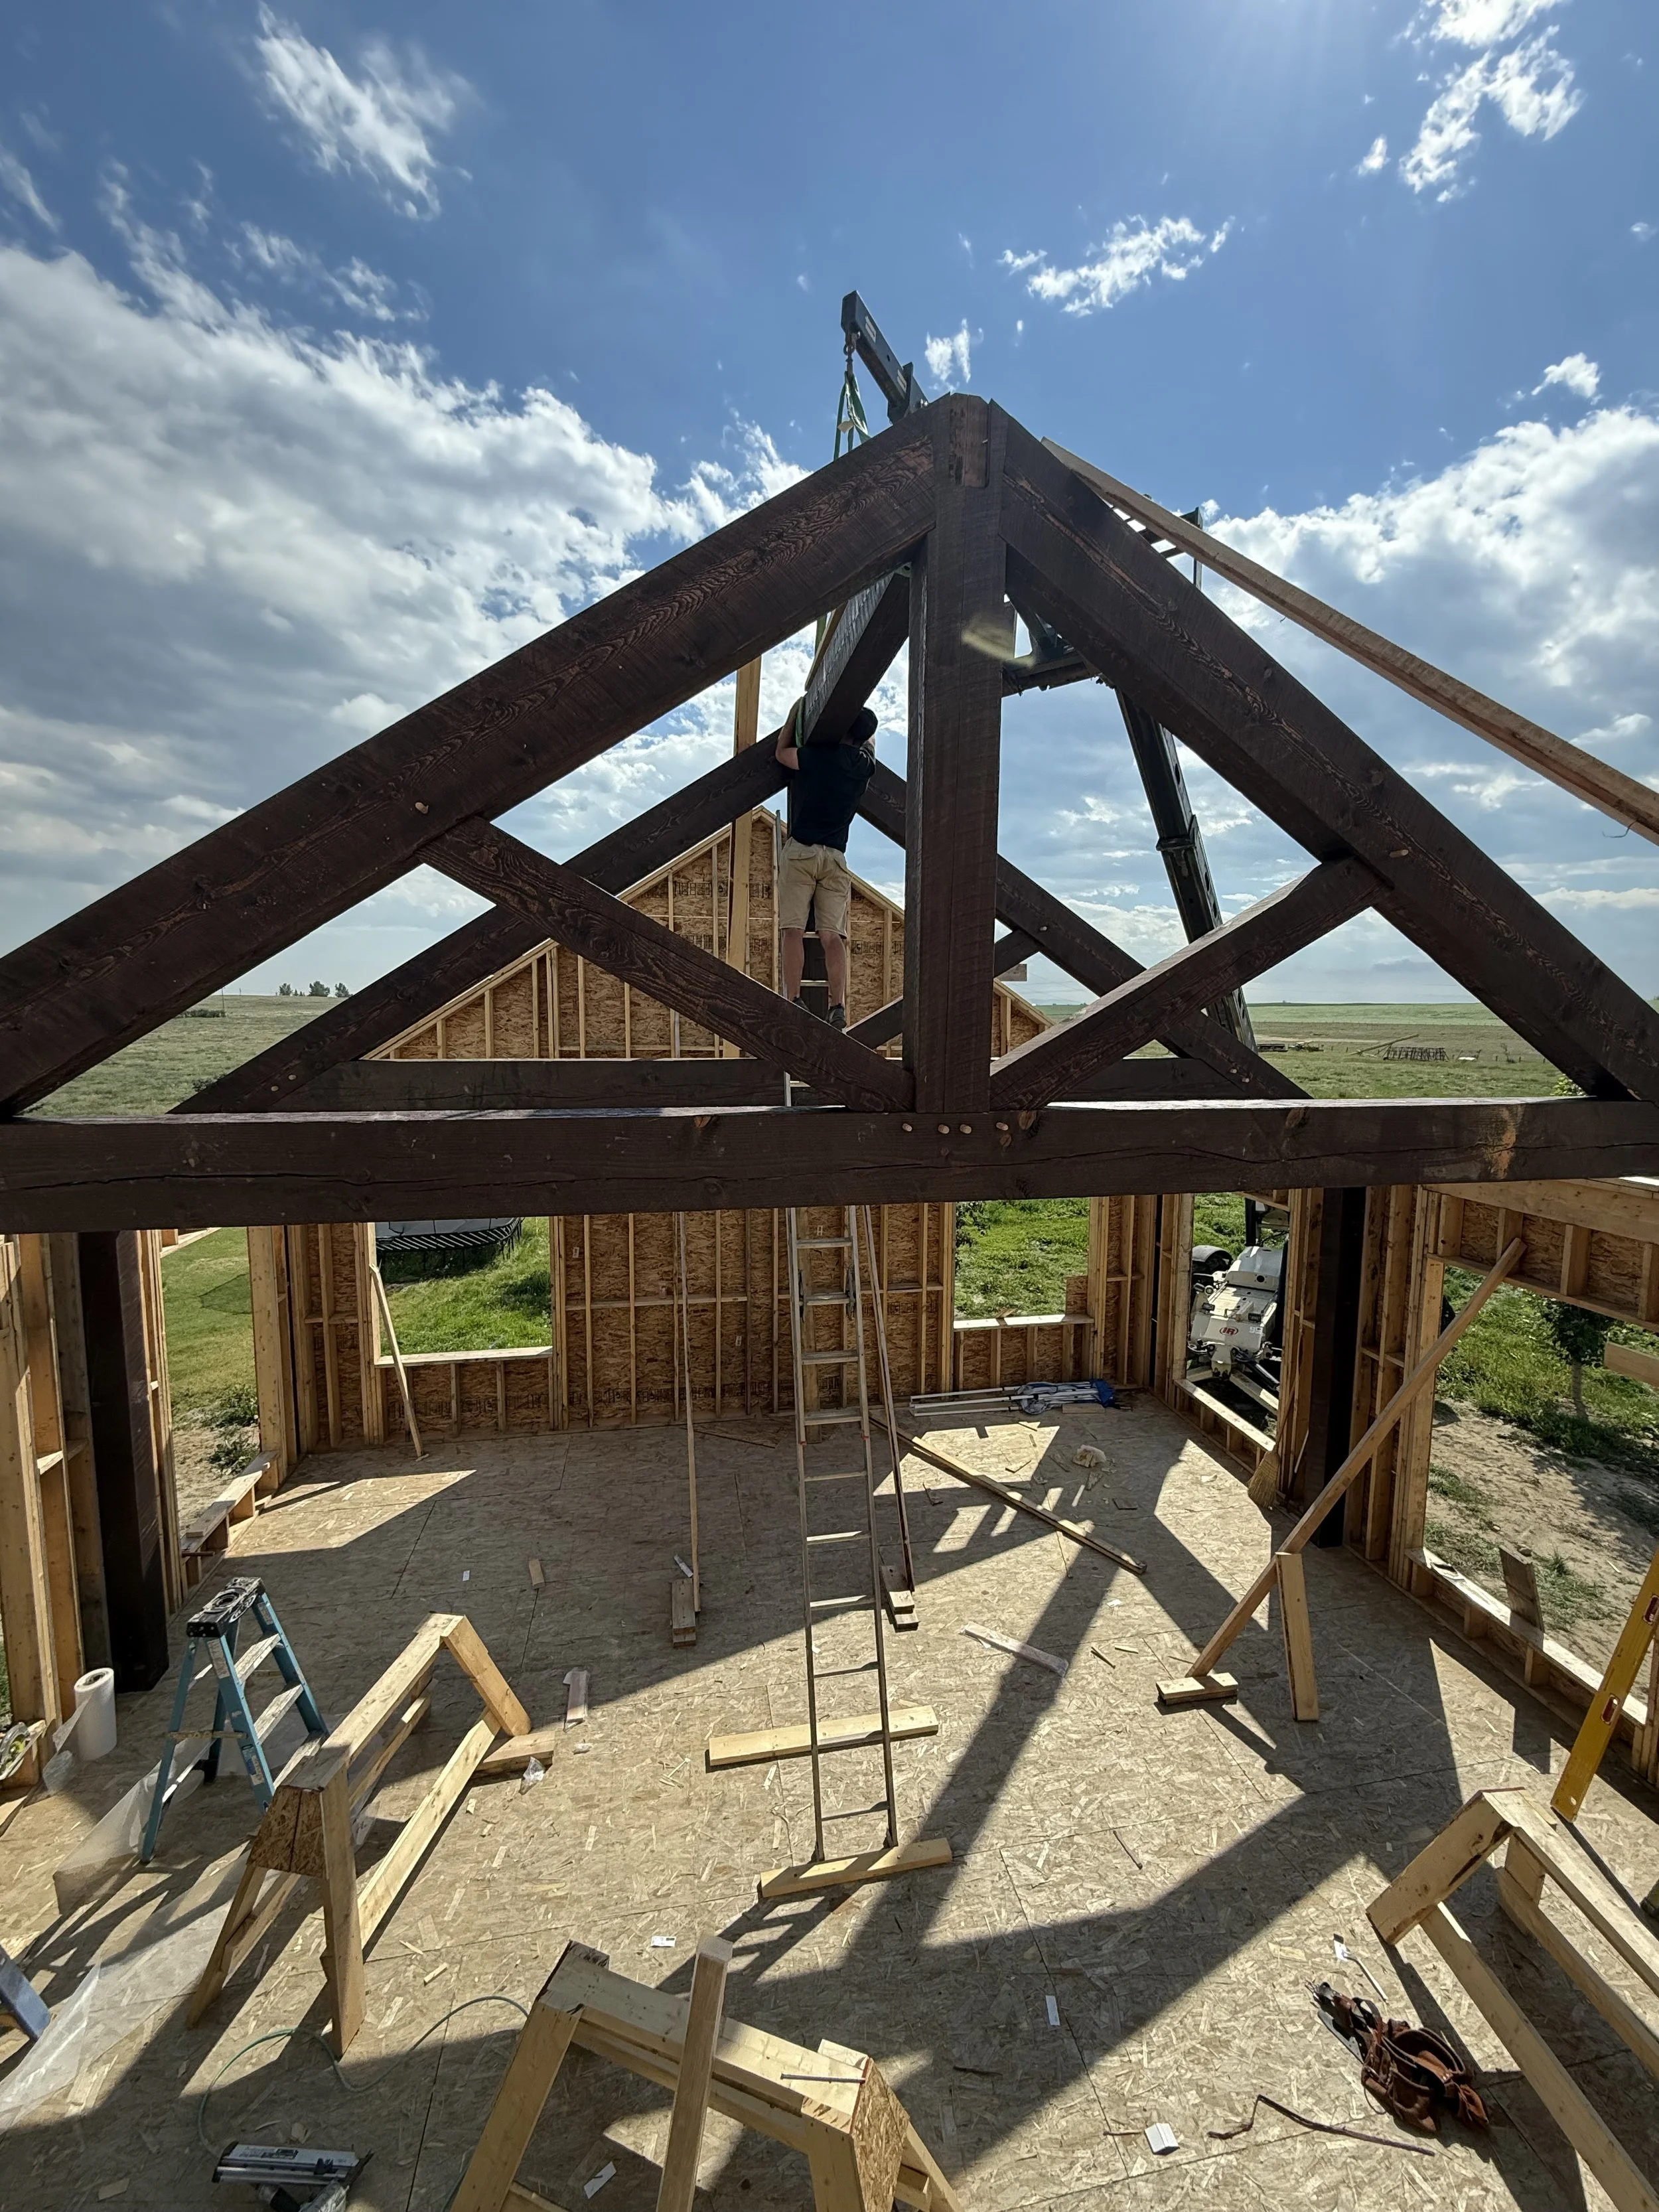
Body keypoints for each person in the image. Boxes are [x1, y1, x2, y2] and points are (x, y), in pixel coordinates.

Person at [774, 700, 878, 1028]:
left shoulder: (822, 757)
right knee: (832, 937)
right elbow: (869, 743)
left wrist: (794, 715)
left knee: (793, 930)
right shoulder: (865, 767)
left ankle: (794, 1000)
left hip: (802, 850)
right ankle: (838, 1006)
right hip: (835, 858)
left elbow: (782, 754)